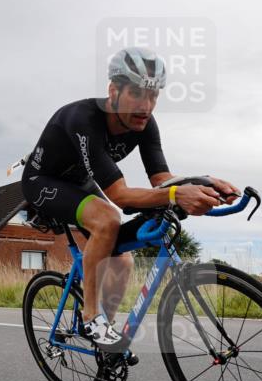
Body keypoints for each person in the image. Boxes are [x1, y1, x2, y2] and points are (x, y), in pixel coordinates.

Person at [21, 47, 240, 350]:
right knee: (108, 218)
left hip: (79, 182)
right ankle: (91, 317)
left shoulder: (145, 124)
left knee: (122, 261)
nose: (146, 105)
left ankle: (104, 338)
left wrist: (204, 182)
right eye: (137, 93)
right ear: (114, 91)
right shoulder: (84, 118)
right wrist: (177, 195)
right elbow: (121, 197)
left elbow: (162, 179)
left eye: (153, 96)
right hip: (42, 181)